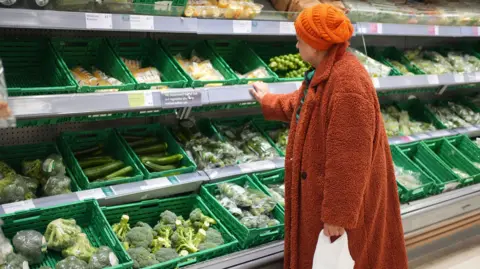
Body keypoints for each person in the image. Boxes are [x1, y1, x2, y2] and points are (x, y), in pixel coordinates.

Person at [249, 4, 408, 269]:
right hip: (325, 201)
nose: (297, 46)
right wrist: (268, 99)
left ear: (316, 44)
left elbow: (349, 158)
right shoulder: (329, 70)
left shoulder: (348, 84)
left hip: (344, 215)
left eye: (300, 40)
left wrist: (337, 214)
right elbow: (303, 105)